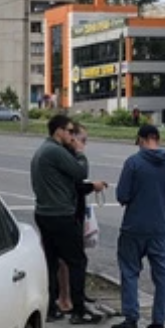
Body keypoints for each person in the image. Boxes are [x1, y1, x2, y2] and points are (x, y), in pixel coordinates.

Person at [112, 124, 165, 328]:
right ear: (158, 138)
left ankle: (131, 319)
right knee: (162, 275)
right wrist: (162, 201)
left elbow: (122, 196)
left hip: (133, 227)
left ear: (143, 139)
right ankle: (158, 322)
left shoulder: (134, 163)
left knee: (129, 271)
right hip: (160, 228)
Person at [31, 114, 107, 324]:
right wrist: (79, 152)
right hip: (61, 214)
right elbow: (80, 172)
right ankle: (78, 310)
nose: (73, 136)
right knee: (77, 261)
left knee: (52, 261)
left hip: (44, 213)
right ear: (59, 131)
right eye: (70, 131)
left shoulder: (43, 150)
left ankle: (51, 308)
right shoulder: (55, 151)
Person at [56, 123, 91, 317]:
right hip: (67, 213)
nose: (84, 145)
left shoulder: (64, 155)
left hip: (72, 211)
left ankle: (73, 296)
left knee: (70, 259)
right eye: (82, 140)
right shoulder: (69, 157)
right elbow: (78, 181)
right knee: (69, 260)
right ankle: (67, 299)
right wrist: (92, 186)